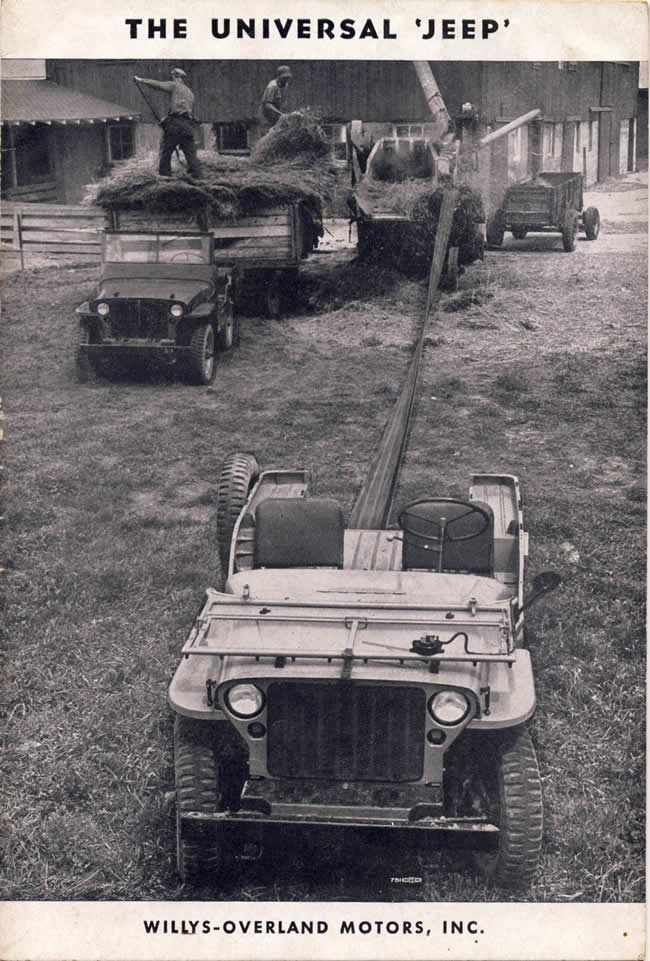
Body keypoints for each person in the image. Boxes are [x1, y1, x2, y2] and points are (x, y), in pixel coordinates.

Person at [133, 67, 201, 178]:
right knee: (191, 155)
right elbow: (182, 110)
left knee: (166, 152)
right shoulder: (190, 93)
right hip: (188, 126)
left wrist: (141, 80)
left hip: (175, 125)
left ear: (176, 77)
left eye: (173, 77)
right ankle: (198, 177)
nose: (173, 79)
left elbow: (159, 85)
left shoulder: (174, 85)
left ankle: (165, 177)